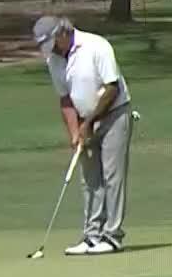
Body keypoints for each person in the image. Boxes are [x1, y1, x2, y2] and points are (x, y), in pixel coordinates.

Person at [32, 16, 136, 256]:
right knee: (89, 179)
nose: (51, 50)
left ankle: (112, 236)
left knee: (112, 176)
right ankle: (91, 236)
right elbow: (65, 98)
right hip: (84, 120)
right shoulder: (54, 61)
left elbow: (112, 87)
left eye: (52, 43)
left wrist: (89, 122)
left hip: (113, 114)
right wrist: (74, 131)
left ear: (61, 34)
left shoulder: (96, 45)